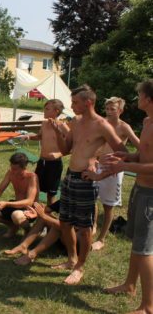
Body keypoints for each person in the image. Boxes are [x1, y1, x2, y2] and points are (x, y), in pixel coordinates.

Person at [49, 84, 127, 285]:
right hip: (70, 176)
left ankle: (80, 267)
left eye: (75, 102)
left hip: (86, 181)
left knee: (84, 228)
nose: (72, 106)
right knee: (65, 222)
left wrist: (102, 170)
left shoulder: (102, 125)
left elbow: (123, 151)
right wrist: (59, 132)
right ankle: (71, 259)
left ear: (88, 102)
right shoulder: (75, 121)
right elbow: (66, 149)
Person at [88, 80, 153, 314]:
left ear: (148, 98)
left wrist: (123, 167)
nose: (137, 99)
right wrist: (124, 158)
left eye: (139, 95)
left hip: (150, 195)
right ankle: (129, 285)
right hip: (139, 189)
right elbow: (143, 154)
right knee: (137, 244)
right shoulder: (147, 122)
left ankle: (148, 306)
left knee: (145, 249)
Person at [4, 99, 69, 255]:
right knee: (36, 193)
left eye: (48, 108)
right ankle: (33, 221)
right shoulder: (45, 123)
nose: (45, 111)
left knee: (51, 196)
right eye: (45, 108)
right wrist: (29, 137)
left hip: (54, 164)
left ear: (57, 112)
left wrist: (59, 153)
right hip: (42, 162)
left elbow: (71, 146)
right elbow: (40, 136)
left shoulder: (62, 126)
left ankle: (47, 225)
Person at [91, 97, 140, 251]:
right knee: (92, 199)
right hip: (97, 165)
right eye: (107, 109)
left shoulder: (124, 127)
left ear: (120, 110)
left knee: (108, 205)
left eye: (113, 109)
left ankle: (102, 238)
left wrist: (124, 159)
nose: (109, 112)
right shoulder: (102, 123)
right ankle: (92, 226)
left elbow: (140, 146)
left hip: (114, 170)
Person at [0, 152, 39, 237]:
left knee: (16, 215)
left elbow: (29, 202)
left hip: (30, 209)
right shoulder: (10, 172)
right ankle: (13, 226)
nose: (12, 170)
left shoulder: (32, 177)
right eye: (11, 167)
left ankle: (29, 230)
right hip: (16, 205)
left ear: (23, 167)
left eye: (15, 169)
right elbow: (0, 189)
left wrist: (7, 203)